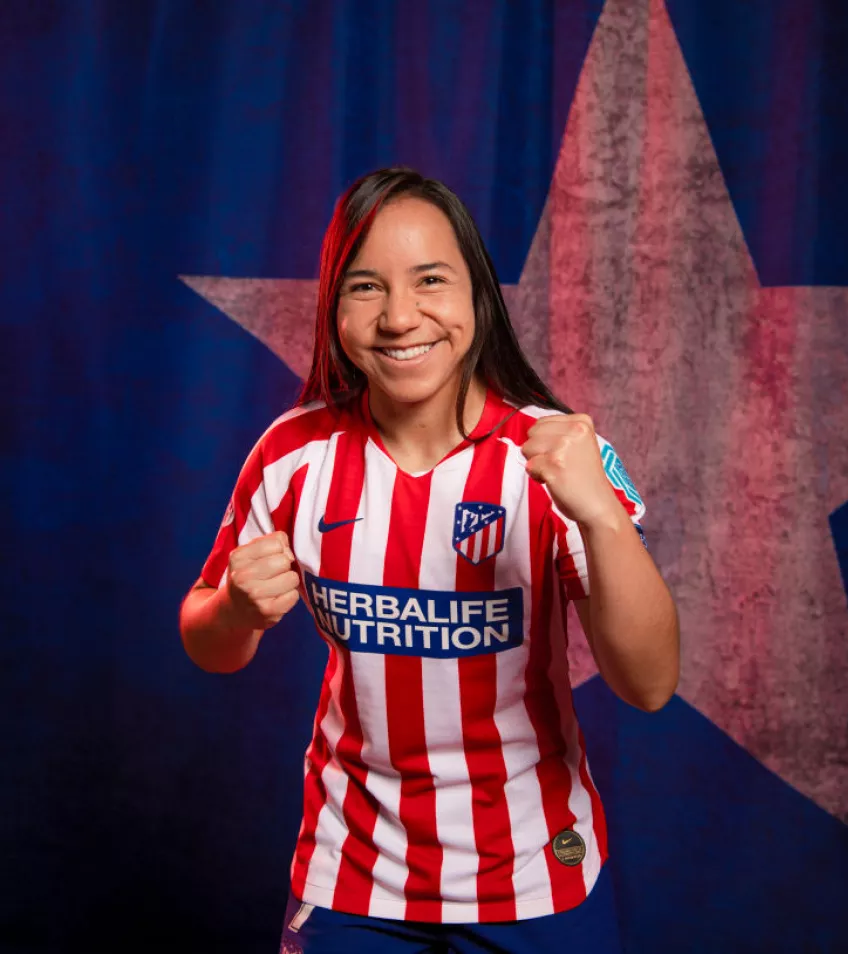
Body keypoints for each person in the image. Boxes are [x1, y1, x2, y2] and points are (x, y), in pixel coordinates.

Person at [179, 166, 680, 953]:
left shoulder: (556, 455)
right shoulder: (292, 455)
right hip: (353, 877)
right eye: (366, 287)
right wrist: (235, 610)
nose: (400, 316)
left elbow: (650, 685)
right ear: (335, 311)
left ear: (478, 295)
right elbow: (206, 638)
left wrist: (601, 517)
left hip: (537, 871)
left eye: (430, 280)